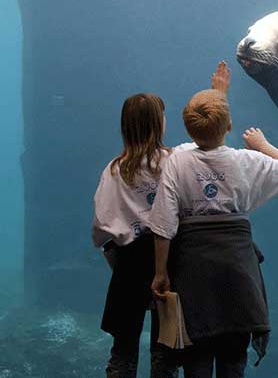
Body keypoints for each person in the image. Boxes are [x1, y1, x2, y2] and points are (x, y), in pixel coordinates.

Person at [149, 80, 278, 378]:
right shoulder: (247, 161)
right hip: (237, 269)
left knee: (196, 353)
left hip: (193, 269)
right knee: (234, 355)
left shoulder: (178, 159)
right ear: (230, 125)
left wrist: (160, 272)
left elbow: (164, 224)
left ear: (188, 128)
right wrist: (262, 145)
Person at [92, 63, 231, 378]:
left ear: (126, 127)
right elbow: (212, 149)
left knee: (122, 354)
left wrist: (119, 264)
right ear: (159, 124)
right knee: (165, 353)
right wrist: (220, 95)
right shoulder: (177, 160)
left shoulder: (113, 170)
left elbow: (102, 228)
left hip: (127, 265)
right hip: (169, 262)